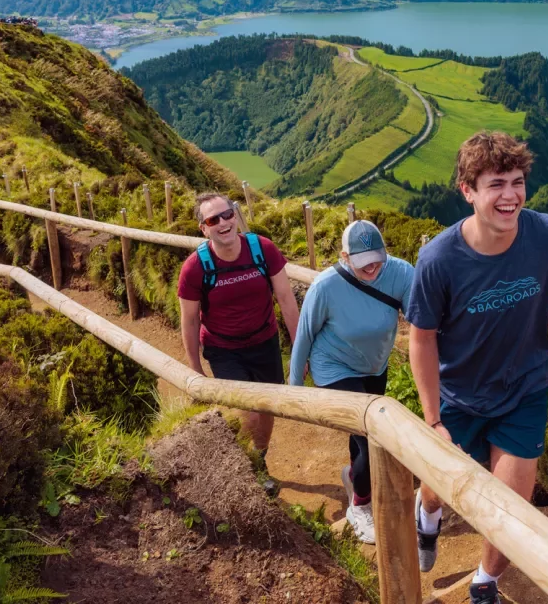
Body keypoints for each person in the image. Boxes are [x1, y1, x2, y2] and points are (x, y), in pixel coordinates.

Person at [405, 132, 548, 604]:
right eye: (496, 184)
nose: (510, 196)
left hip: (524, 393)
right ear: (468, 190)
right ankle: (425, 515)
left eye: (518, 182)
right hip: (459, 398)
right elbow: (422, 337)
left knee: (511, 510)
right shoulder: (438, 260)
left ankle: (484, 583)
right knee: (437, 488)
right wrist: (432, 419)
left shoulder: (545, 234)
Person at [289, 220, 414, 544]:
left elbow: (420, 318)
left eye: (377, 259)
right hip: (333, 367)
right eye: (363, 263)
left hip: (374, 366)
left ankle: (352, 475)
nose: (372, 267)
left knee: (361, 439)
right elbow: (305, 334)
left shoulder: (401, 273)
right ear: (345, 256)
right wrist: (294, 387)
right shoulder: (326, 287)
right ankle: (359, 507)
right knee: (372, 436)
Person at [177, 192, 301, 486]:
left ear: (236, 214)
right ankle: (253, 474)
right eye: (213, 219)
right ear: (203, 228)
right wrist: (194, 369)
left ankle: (258, 457)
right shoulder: (195, 268)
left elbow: (286, 300)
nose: (224, 222)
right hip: (223, 349)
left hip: (265, 341)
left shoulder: (263, 249)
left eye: (228, 213)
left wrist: (300, 349)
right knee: (247, 410)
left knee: (267, 406)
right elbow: (190, 319)